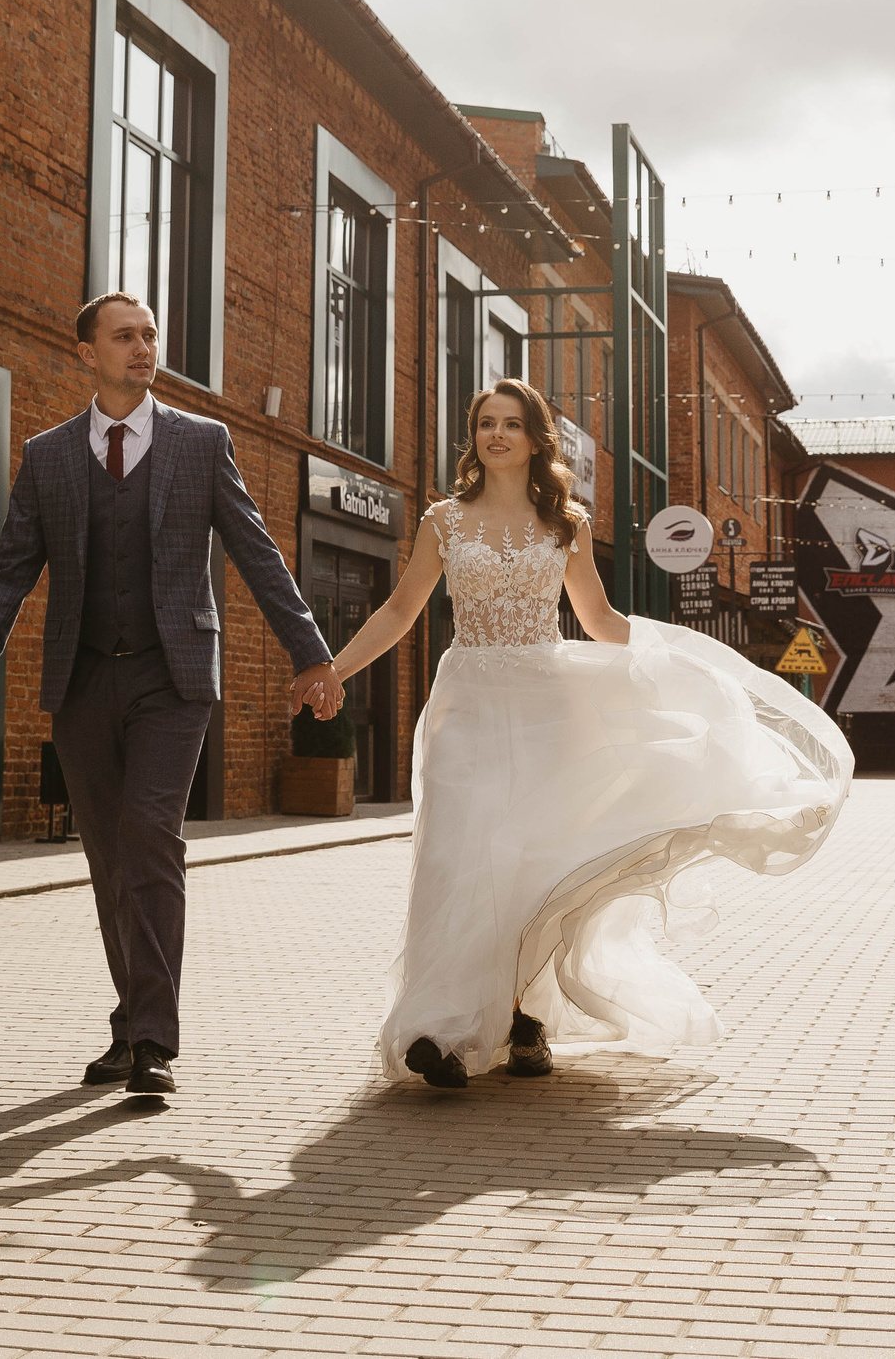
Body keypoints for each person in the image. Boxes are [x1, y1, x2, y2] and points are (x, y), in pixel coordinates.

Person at [326, 378, 851, 1088]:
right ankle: (439, 1027)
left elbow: (599, 622)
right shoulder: (443, 522)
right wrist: (335, 668)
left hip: (550, 711)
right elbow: (398, 609)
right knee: (457, 863)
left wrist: (677, 663)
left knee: (534, 867)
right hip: (468, 708)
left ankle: (524, 1021)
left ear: (538, 438)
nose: (498, 435)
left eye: (513, 424)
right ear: (474, 436)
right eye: (486, 423)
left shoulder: (565, 523)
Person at [0, 292, 342, 1098]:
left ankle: (154, 1040)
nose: (143, 346)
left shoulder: (202, 443)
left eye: (151, 333)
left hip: (173, 679)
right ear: (87, 351)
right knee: (108, 858)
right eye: (125, 335)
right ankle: (129, 1025)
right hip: (83, 678)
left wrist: (311, 654)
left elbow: (257, 551)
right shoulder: (49, 455)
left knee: (148, 836)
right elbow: (10, 567)